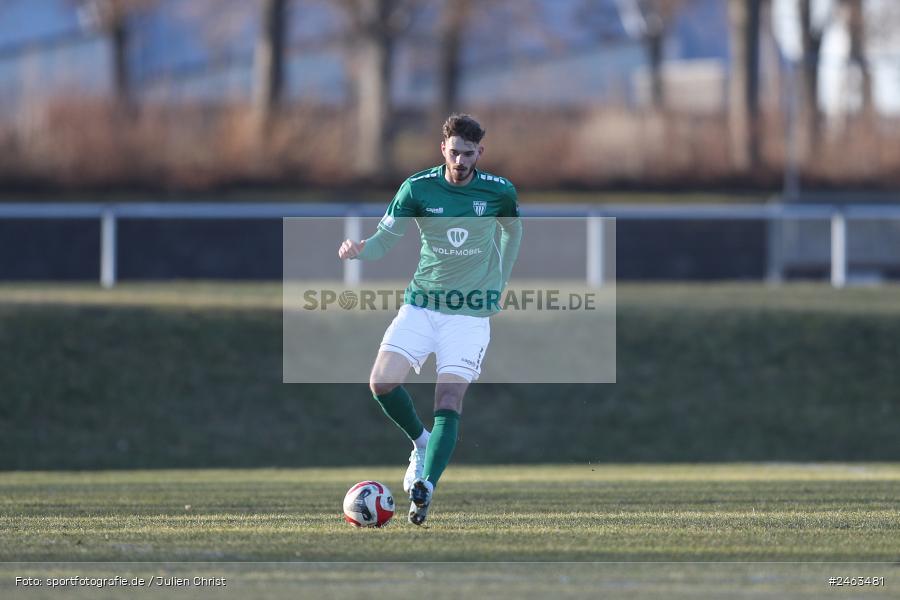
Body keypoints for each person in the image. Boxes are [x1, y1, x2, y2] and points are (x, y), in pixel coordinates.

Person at [338, 113, 522, 526]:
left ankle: (427, 487)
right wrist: (359, 249)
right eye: (454, 152)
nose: (460, 160)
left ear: (480, 153)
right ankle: (421, 443)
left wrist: (499, 280)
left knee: (448, 400)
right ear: (443, 149)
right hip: (421, 305)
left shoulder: (498, 192)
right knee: (381, 382)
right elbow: (385, 239)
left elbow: (513, 231)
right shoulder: (418, 188)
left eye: (468, 154)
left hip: (469, 315)